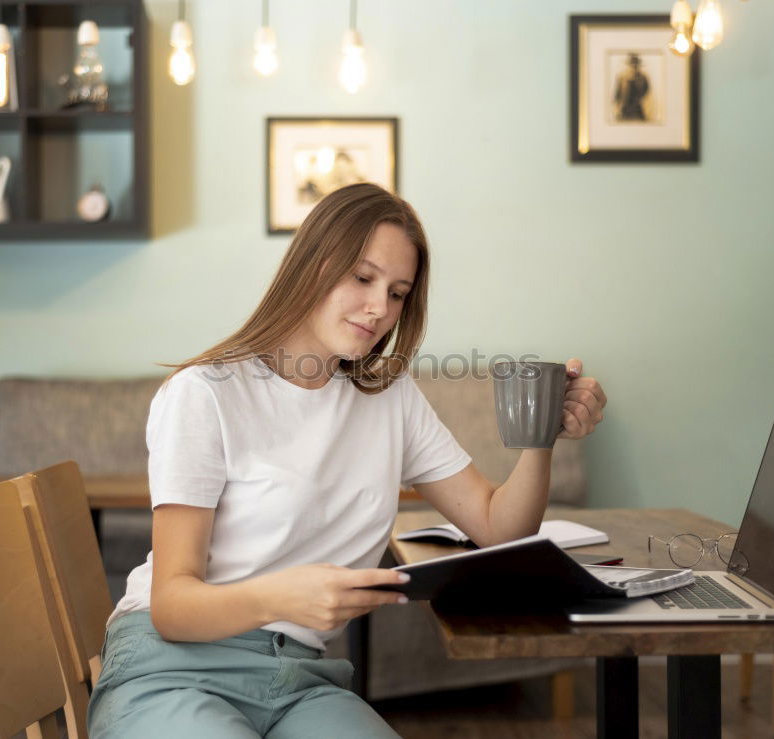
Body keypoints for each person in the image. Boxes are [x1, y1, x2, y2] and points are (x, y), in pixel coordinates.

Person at [87, 182, 607, 738]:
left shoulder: (390, 397)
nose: (379, 308)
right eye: (363, 278)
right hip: (174, 668)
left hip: (300, 681)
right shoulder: (206, 392)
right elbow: (171, 605)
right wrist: (283, 596)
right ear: (313, 263)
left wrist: (542, 434)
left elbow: (500, 527)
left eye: (398, 292)